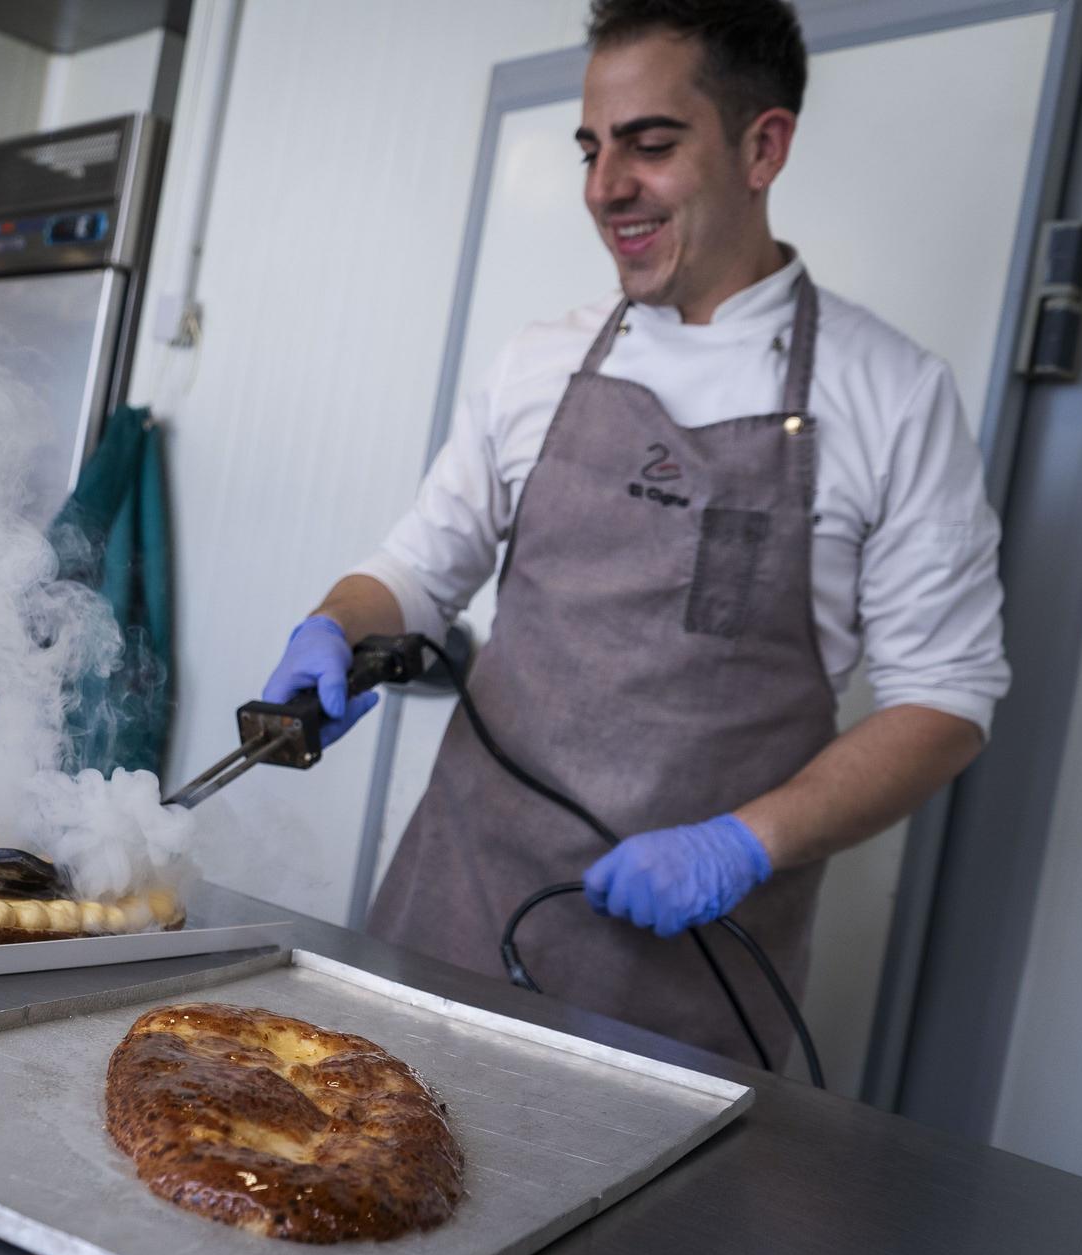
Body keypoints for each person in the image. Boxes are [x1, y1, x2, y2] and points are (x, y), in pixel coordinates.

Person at [259, 0, 1010, 1064]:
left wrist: (742, 843)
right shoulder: (539, 361)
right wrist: (334, 623)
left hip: (688, 979)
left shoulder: (890, 395)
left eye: (649, 144)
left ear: (763, 146)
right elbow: (420, 569)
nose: (605, 186)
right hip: (452, 918)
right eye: (590, 147)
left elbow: (946, 700)